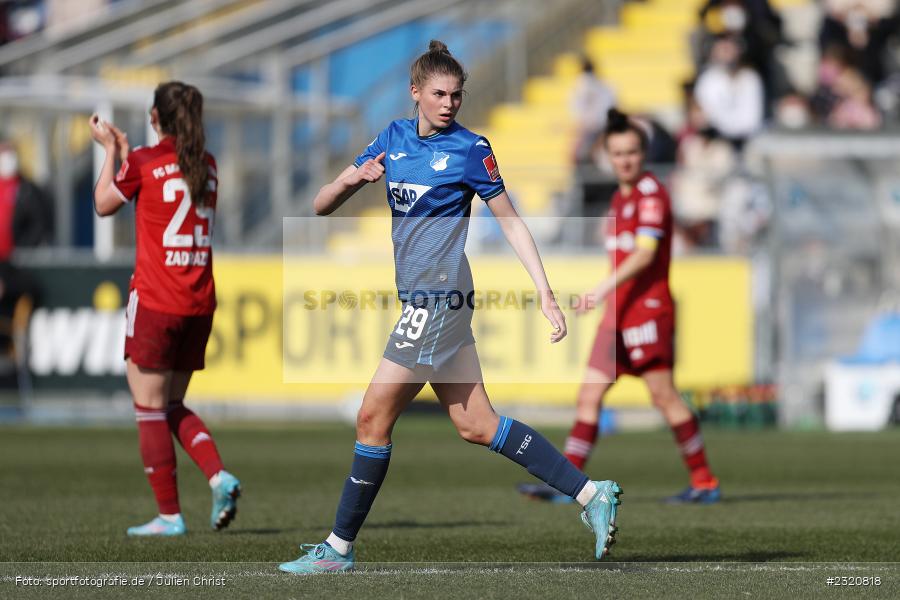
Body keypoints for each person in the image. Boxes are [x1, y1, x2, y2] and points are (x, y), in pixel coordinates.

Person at [278, 41, 622, 575]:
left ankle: (337, 549)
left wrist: (545, 292)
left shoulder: (470, 149)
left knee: (371, 417)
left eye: (456, 95)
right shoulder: (390, 138)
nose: (449, 103)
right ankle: (591, 493)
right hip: (426, 298)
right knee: (478, 425)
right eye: (439, 93)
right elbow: (321, 205)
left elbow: (510, 220)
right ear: (415, 93)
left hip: (440, 297)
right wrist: (351, 179)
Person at [520, 109, 721, 505]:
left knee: (664, 397)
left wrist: (599, 289)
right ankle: (569, 486)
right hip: (617, 315)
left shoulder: (651, 196)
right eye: (617, 153)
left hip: (647, 311)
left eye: (631, 152)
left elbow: (645, 255)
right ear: (608, 157)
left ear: (643, 153)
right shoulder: (620, 197)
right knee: (589, 397)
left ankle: (705, 482)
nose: (625, 160)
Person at [89, 81, 241, 536]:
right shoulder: (207, 165)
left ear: (155, 117)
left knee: (149, 405)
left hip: (156, 300)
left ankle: (170, 515)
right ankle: (218, 475)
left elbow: (102, 205)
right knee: (171, 403)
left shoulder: (143, 161)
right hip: (198, 301)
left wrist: (110, 150)